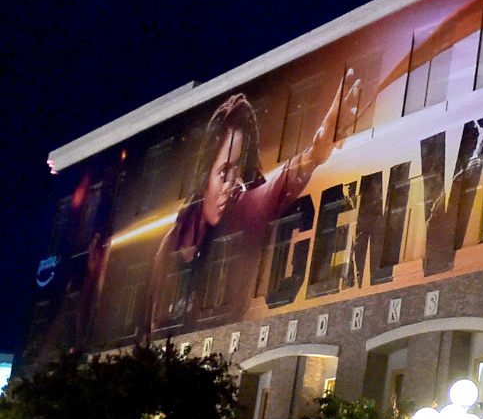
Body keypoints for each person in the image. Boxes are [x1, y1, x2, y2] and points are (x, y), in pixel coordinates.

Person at [144, 75, 360, 332]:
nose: (231, 184)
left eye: (237, 170)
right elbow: (153, 331)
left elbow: (275, 186)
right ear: (204, 176)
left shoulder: (241, 210)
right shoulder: (170, 245)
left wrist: (315, 154)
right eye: (224, 172)